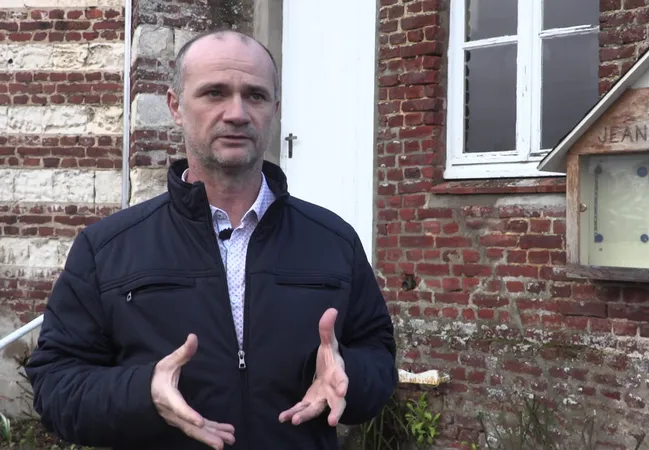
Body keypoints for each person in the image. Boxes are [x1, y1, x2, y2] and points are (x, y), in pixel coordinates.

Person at [24, 28, 398, 450]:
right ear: (175, 106)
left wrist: (350, 374)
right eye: (214, 93)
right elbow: (56, 385)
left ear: (275, 109)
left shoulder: (333, 241)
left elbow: (379, 356)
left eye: (255, 96)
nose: (237, 112)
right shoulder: (107, 248)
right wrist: (143, 392)